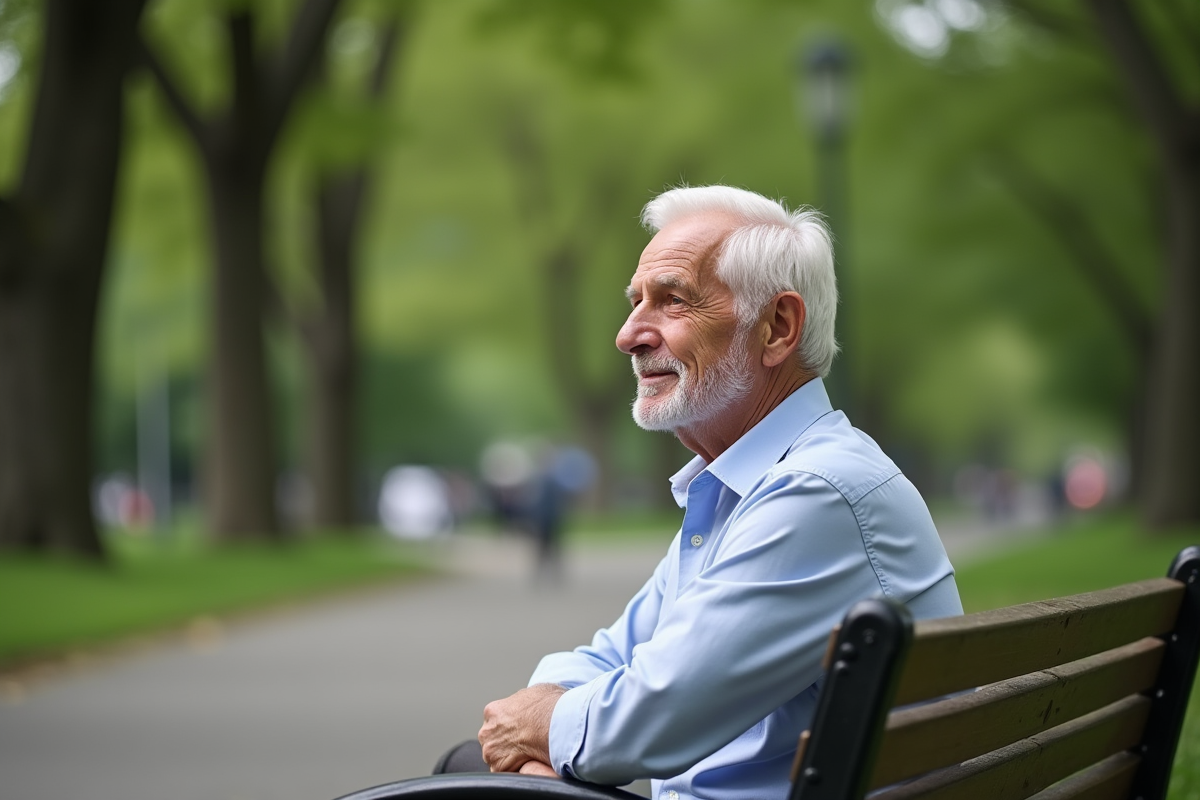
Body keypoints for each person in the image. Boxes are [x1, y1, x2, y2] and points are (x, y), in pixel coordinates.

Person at [470, 185, 963, 799]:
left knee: (467, 770)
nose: (628, 335)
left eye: (672, 300)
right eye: (635, 303)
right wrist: (544, 722)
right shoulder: (745, 490)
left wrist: (536, 726)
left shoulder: (816, 494)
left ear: (778, 327)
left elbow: (643, 723)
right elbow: (609, 658)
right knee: (480, 765)